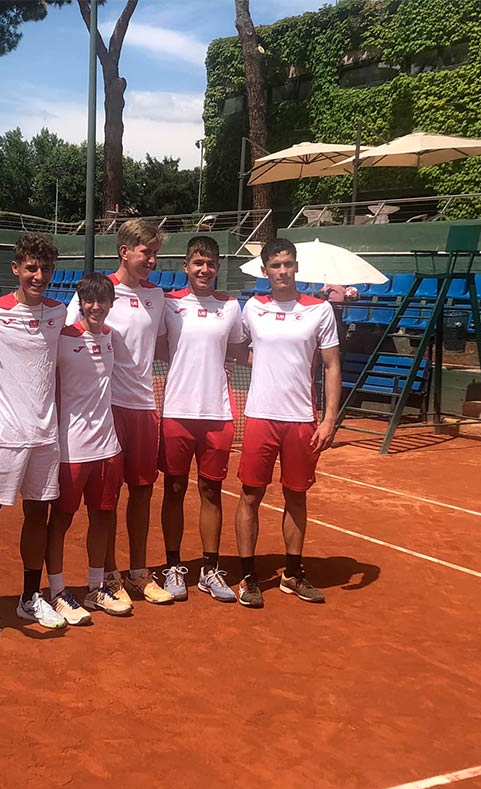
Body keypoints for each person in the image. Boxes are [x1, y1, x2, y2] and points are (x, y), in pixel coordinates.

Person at [65, 219, 174, 606]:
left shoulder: (158, 296)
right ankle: (109, 575)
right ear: (124, 251)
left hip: (144, 408)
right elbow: (68, 342)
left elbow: (165, 346)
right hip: (106, 410)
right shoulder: (97, 295)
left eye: (155, 253)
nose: (152, 260)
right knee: (106, 500)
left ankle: (139, 572)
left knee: (142, 492)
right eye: (146, 252)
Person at [0, 235, 69, 632]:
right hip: (2, 434)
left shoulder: (58, 312)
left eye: (45, 269)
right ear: (16, 269)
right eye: (31, 268)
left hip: (46, 436)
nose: (39, 276)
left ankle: (30, 597)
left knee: (37, 517)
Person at [235, 237, 342, 609]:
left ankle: (292, 574)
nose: (282, 271)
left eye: (288, 264)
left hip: (301, 420)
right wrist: (265, 364)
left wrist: (329, 418)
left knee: (296, 494)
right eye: (275, 266)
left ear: (296, 267)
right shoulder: (253, 308)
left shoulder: (320, 310)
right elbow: (238, 348)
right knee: (250, 495)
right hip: (260, 416)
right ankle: (248, 577)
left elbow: (331, 365)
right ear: (265, 270)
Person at [158, 236, 246, 603]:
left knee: (212, 491)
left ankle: (210, 569)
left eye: (210, 263)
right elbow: (160, 347)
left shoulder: (231, 306)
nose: (204, 269)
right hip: (177, 412)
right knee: (174, 489)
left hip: (217, 414)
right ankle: (173, 566)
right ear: (186, 267)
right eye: (198, 262)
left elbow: (238, 349)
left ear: (218, 267)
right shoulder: (169, 304)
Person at [45, 273, 133, 621]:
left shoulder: (112, 337)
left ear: (111, 303)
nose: (96, 307)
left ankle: (97, 588)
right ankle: (57, 591)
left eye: (102, 301)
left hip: (107, 447)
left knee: (102, 517)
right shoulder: (62, 338)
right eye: (89, 301)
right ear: (80, 303)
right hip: (71, 449)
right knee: (61, 520)